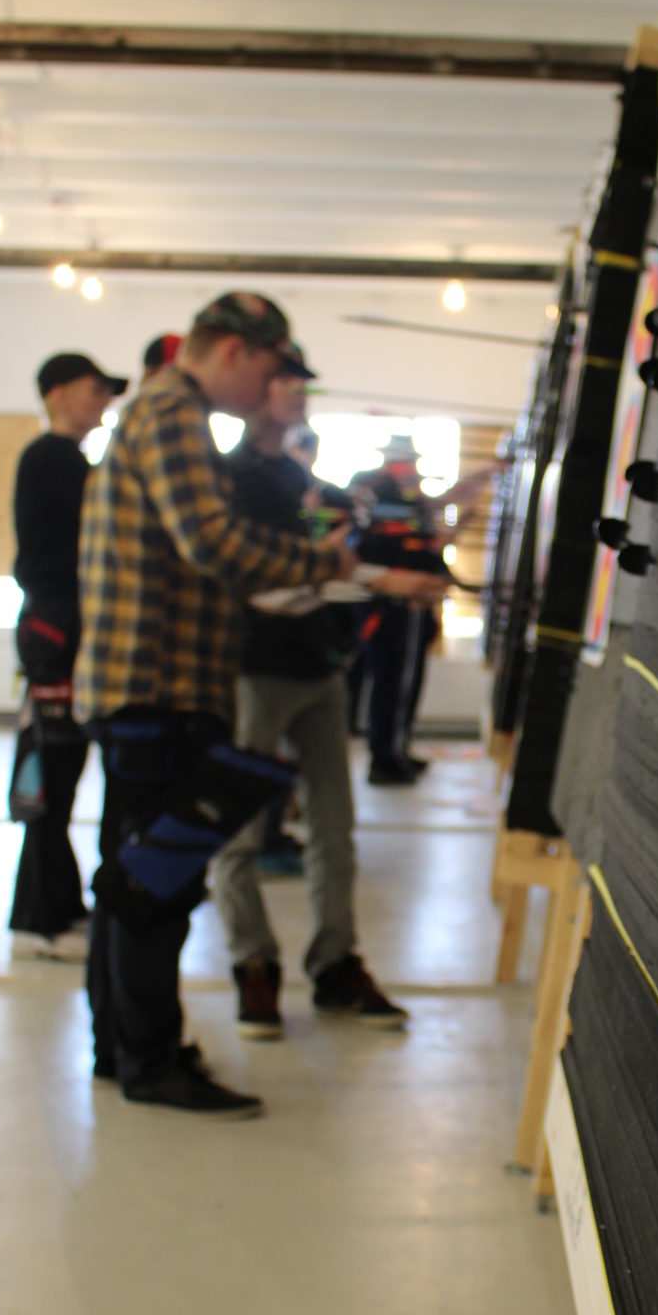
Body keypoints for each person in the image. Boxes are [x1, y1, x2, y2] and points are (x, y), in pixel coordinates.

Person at [73, 291, 361, 1119]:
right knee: (157, 882)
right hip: (157, 688)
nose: (269, 389)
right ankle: (151, 1060)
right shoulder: (174, 413)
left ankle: (121, 1046)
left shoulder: (161, 411)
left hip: (147, 687)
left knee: (132, 874)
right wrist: (321, 564)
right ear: (233, 350)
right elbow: (211, 540)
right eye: (267, 369)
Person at [211, 350, 442, 1038]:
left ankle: (335, 964)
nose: (298, 393)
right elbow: (259, 573)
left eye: (301, 383)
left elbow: (317, 568)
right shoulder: (229, 477)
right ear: (254, 387)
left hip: (317, 664)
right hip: (254, 667)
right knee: (239, 830)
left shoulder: (296, 478)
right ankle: (252, 964)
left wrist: (369, 577)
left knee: (334, 828)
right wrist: (375, 579)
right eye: (285, 380)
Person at [9, 349, 128, 960]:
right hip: (56, 633)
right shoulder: (51, 458)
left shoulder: (71, 460)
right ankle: (40, 920)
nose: (102, 401)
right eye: (93, 389)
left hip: (65, 630)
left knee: (64, 772)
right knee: (52, 778)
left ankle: (57, 906)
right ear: (56, 392)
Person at [355, 452, 444, 785]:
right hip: (395, 609)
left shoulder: (401, 499)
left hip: (404, 608)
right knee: (393, 685)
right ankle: (387, 757)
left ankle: (396, 750)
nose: (413, 473)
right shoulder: (384, 496)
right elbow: (398, 548)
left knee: (401, 686)